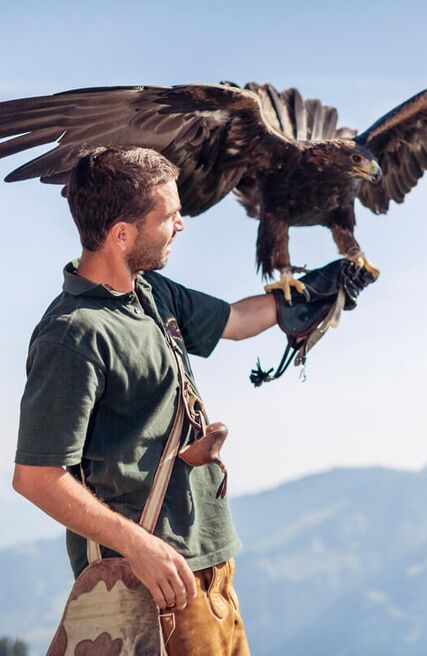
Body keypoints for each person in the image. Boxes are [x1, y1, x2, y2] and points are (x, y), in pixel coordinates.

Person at [12, 146, 282, 655]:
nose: (181, 225)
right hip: (150, 590)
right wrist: (140, 546)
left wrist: (313, 294)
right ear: (122, 234)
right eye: (170, 216)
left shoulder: (152, 293)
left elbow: (239, 321)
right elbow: (37, 477)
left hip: (213, 571)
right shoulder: (73, 335)